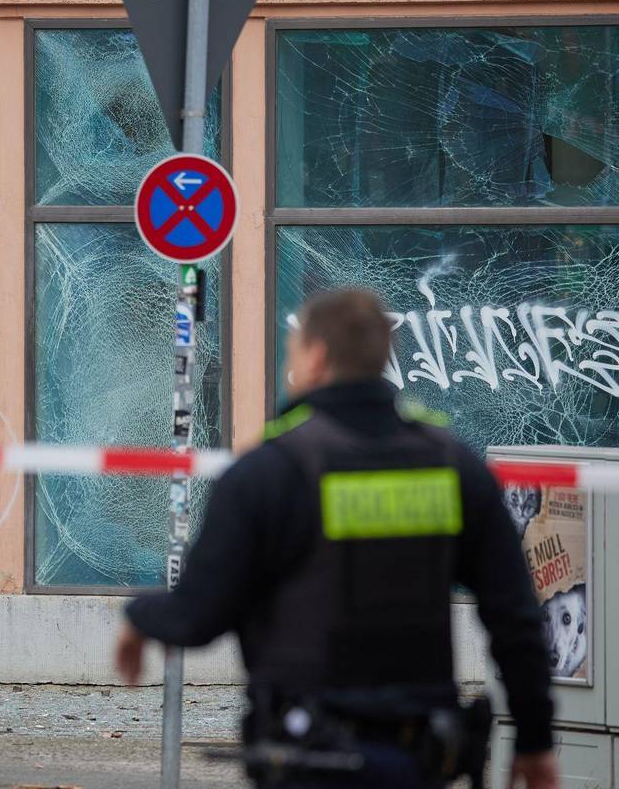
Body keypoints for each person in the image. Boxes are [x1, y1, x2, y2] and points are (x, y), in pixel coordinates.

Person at [115, 288, 559, 789]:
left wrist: (139, 618)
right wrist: (536, 740)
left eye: (293, 350)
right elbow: (515, 616)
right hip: (418, 760)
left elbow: (198, 615)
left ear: (317, 357)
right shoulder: (453, 466)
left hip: (308, 757)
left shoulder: (269, 472)